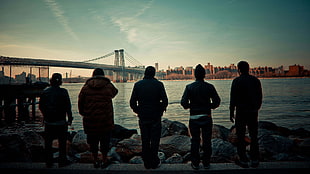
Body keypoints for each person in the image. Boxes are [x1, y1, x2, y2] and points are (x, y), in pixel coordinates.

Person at [181, 64, 221, 170]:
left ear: (194, 75)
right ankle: (206, 163)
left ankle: (195, 163)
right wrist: (209, 107)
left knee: (195, 140)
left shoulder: (189, 87)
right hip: (206, 116)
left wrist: (191, 107)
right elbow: (217, 101)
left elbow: (183, 103)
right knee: (207, 140)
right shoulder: (210, 87)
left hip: (194, 117)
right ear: (204, 75)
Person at [78, 68, 118, 168]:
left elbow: (80, 102)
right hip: (105, 119)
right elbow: (115, 93)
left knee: (93, 141)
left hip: (90, 119)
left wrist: (83, 113)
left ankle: (95, 160)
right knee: (105, 141)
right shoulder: (108, 86)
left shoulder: (86, 87)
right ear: (103, 75)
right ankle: (104, 159)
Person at [130, 66, 168, 169]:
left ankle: (146, 162)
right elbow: (165, 101)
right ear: (154, 74)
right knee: (155, 140)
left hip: (143, 116)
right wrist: (160, 111)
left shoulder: (137, 85)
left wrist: (138, 111)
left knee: (145, 139)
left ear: (145, 73)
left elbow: (132, 102)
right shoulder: (159, 84)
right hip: (155, 116)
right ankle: (154, 161)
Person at [229, 61, 263, 168]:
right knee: (254, 135)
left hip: (241, 112)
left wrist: (231, 112)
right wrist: (256, 108)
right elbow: (259, 97)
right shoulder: (255, 80)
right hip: (253, 112)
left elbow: (232, 99)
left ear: (239, 70)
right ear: (249, 69)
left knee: (240, 136)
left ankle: (243, 159)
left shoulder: (236, 81)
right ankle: (255, 159)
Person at [39, 73, 73, 168]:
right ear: (61, 81)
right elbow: (68, 107)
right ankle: (62, 161)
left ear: (51, 81)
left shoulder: (45, 92)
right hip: (61, 122)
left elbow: (41, 106)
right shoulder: (64, 92)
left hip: (49, 122)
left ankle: (49, 162)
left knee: (48, 143)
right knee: (62, 142)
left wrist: (45, 116)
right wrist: (70, 119)